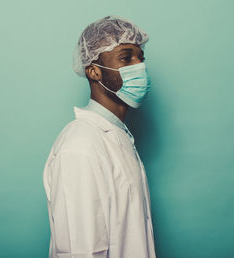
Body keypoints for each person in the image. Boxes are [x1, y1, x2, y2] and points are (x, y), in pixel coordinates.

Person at [42, 15, 156, 258]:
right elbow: (80, 251)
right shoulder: (80, 146)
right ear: (94, 71)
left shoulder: (117, 136)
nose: (139, 66)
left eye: (140, 58)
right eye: (125, 58)